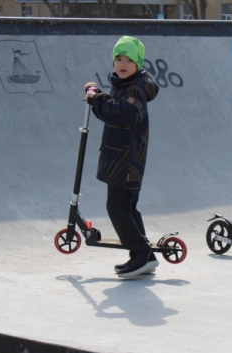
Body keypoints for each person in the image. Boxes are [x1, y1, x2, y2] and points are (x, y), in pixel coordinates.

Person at [83, 36, 160, 278]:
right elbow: (112, 113)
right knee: (126, 207)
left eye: (128, 59)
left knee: (117, 207)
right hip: (122, 158)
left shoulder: (135, 90)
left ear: (138, 64)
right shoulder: (124, 86)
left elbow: (122, 114)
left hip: (126, 160)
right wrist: (98, 98)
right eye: (118, 58)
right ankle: (142, 253)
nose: (122, 64)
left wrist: (97, 98)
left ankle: (141, 254)